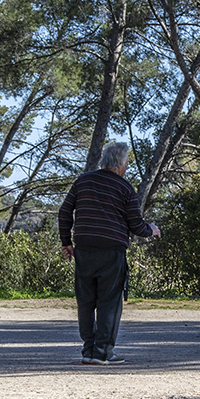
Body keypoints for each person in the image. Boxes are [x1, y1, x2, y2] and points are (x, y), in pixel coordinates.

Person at [58, 142, 160, 365]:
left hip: (84, 249)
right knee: (109, 301)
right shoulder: (125, 188)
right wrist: (152, 230)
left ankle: (88, 350)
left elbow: (65, 211)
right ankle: (103, 352)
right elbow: (136, 225)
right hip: (111, 251)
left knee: (86, 301)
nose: (127, 168)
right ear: (122, 164)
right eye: (127, 164)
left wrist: (66, 242)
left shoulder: (83, 181)